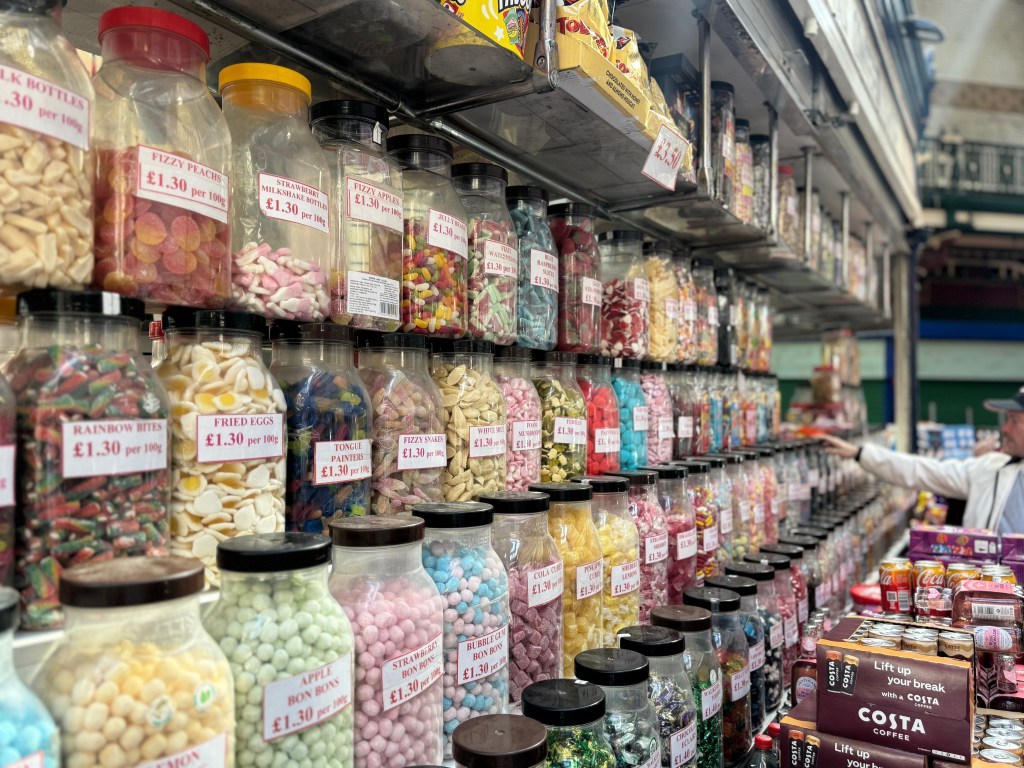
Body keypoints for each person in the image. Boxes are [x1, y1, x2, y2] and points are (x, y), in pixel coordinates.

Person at [819, 385, 1024, 531]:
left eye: (1014, 421)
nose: (1004, 428)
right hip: (986, 589)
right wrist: (860, 453)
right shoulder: (991, 469)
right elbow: (923, 470)